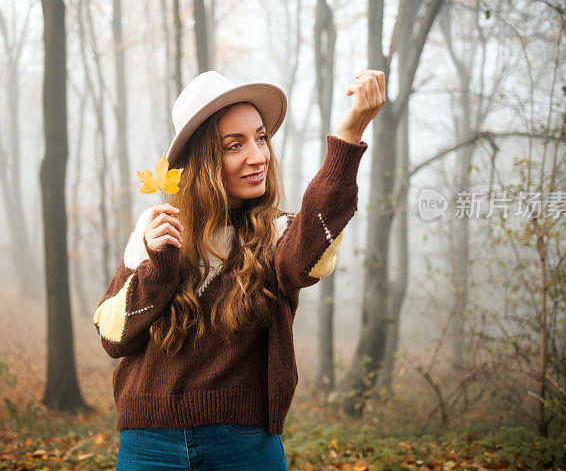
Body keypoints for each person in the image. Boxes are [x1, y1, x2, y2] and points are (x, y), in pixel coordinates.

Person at [94, 69, 385, 470]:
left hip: (244, 446)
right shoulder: (155, 229)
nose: (259, 156)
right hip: (148, 446)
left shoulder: (278, 233)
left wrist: (349, 136)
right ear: (202, 160)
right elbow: (114, 337)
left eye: (261, 137)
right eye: (235, 145)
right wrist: (158, 267)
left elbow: (313, 245)